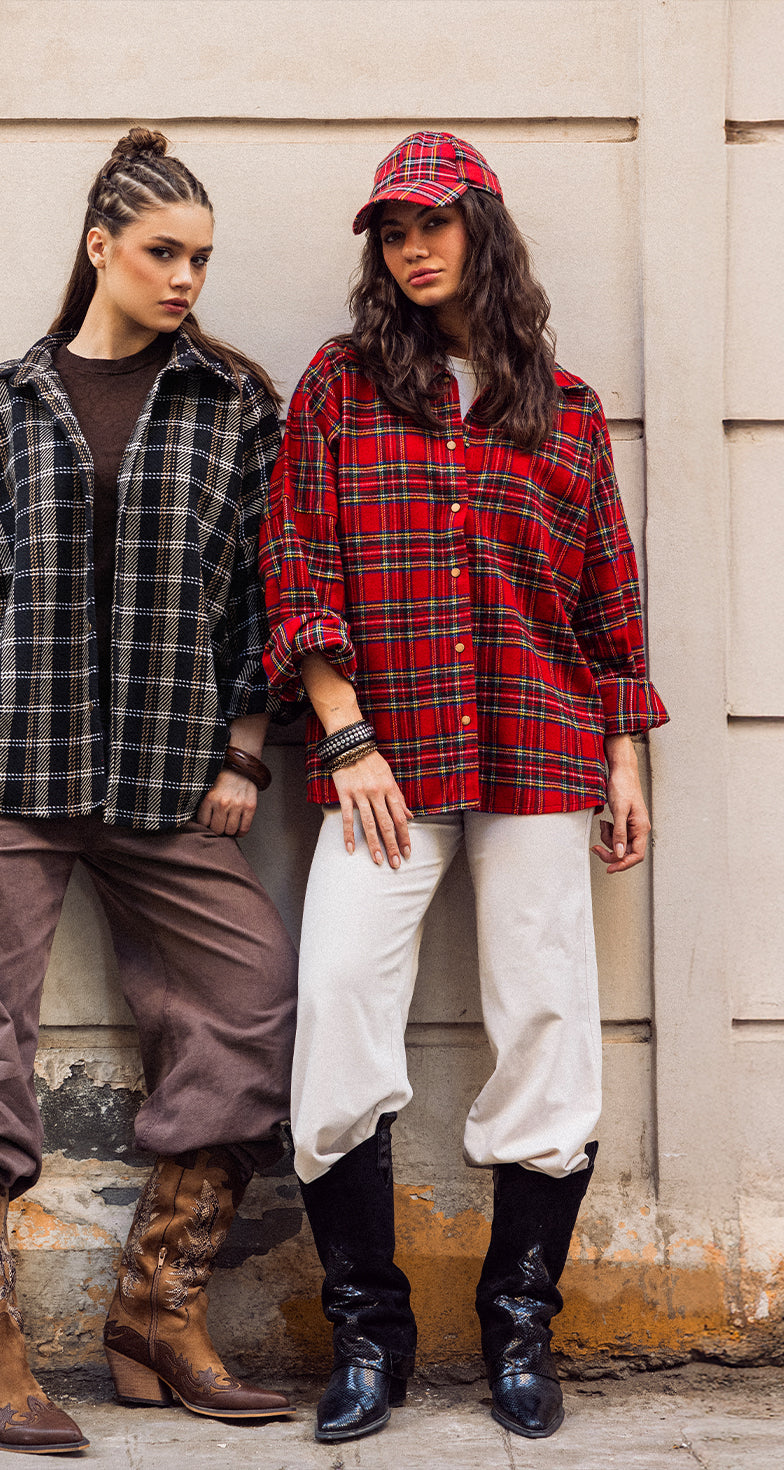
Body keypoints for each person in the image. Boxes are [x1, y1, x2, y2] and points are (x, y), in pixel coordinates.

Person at [0, 127, 297, 1455]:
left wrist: (241, 749)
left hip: (166, 775)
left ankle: (156, 1315)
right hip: (5, 761)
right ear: (100, 248)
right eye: (164, 252)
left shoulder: (235, 405)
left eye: (202, 259)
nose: (184, 279)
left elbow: (257, 597)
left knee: (250, 993)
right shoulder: (5, 402)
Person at [261, 131, 668, 1445]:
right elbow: (297, 564)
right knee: (333, 1007)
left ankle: (518, 1324)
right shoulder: (337, 388)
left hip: (539, 749)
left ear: (482, 232)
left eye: (434, 222)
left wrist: (625, 748)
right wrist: (343, 728)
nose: (413, 245)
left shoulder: (567, 408)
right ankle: (369, 1330)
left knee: (548, 1013)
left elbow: (611, 600)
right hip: (385, 758)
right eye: (392, 229)